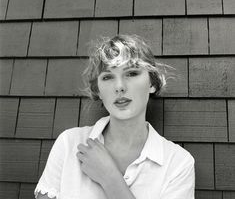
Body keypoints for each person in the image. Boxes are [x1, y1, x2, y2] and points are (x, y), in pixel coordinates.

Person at [34, 34, 195, 199]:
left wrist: (110, 178)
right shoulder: (70, 143)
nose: (119, 87)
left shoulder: (178, 163)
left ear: (152, 83)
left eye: (132, 73)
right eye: (108, 77)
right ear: (98, 91)